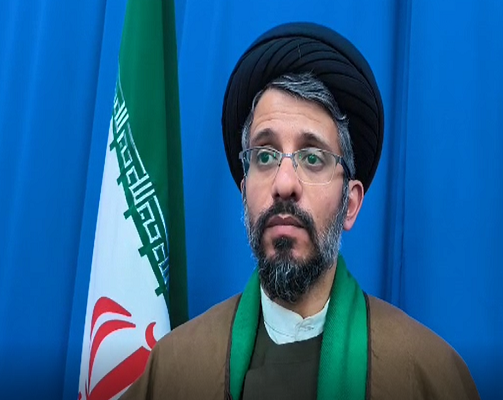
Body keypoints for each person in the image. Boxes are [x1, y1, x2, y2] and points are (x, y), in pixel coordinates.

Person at [121, 22, 480, 400]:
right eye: (265, 156)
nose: (284, 183)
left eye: (312, 158)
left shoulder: (427, 375)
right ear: (244, 193)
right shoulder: (173, 370)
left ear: (350, 204)